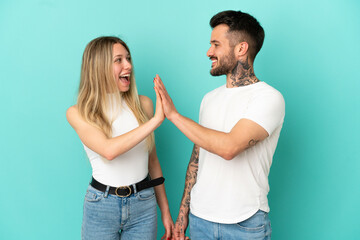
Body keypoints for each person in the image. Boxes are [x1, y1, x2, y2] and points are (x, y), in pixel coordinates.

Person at [154, 10, 285, 240]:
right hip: (199, 220)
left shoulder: (268, 98)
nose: (209, 52)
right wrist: (182, 218)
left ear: (241, 49)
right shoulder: (209, 99)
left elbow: (229, 148)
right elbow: (197, 160)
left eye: (216, 44)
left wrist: (173, 115)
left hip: (245, 223)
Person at [66, 36, 173, 240]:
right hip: (101, 206)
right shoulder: (78, 113)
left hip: (143, 204)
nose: (129, 66)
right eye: (119, 60)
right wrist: (156, 121)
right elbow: (109, 150)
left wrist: (165, 211)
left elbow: (153, 162)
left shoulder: (143, 105)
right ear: (99, 67)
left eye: (128, 58)